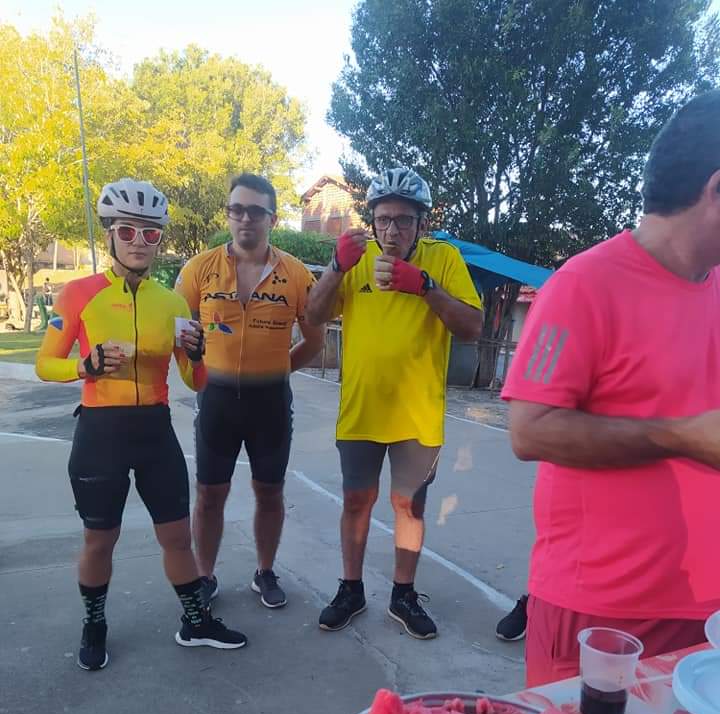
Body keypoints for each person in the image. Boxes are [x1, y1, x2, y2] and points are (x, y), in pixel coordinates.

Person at [502, 91, 720, 687]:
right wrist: (680, 437)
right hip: (600, 616)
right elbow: (529, 429)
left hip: (706, 614)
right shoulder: (583, 285)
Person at [36, 177, 248, 671]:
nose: (138, 242)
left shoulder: (172, 304)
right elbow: (45, 363)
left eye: (150, 234)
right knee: (99, 539)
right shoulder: (78, 295)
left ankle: (195, 623)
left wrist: (198, 355)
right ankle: (94, 623)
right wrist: (83, 367)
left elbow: (194, 382)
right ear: (109, 233)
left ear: (160, 240)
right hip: (100, 433)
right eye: (128, 231)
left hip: (155, 431)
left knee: (177, 537)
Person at [306, 167, 484, 639]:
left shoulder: (443, 259)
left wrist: (424, 286)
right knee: (355, 502)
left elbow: (471, 327)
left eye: (404, 220)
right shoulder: (356, 256)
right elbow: (313, 314)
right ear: (372, 220)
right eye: (383, 219)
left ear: (421, 224)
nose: (392, 230)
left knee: (409, 507)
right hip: (361, 408)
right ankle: (351, 589)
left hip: (416, 414)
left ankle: (403, 594)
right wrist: (335, 267)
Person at [175, 173, 323, 609]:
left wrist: (277, 371)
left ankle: (264, 571)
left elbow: (314, 342)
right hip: (216, 400)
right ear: (228, 214)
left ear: (272, 218)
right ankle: (204, 576)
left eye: (255, 211)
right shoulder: (198, 269)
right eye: (236, 210)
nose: (245, 219)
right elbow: (177, 333)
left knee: (270, 491)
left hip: (270, 403)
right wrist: (195, 373)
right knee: (209, 493)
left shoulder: (295, 274)